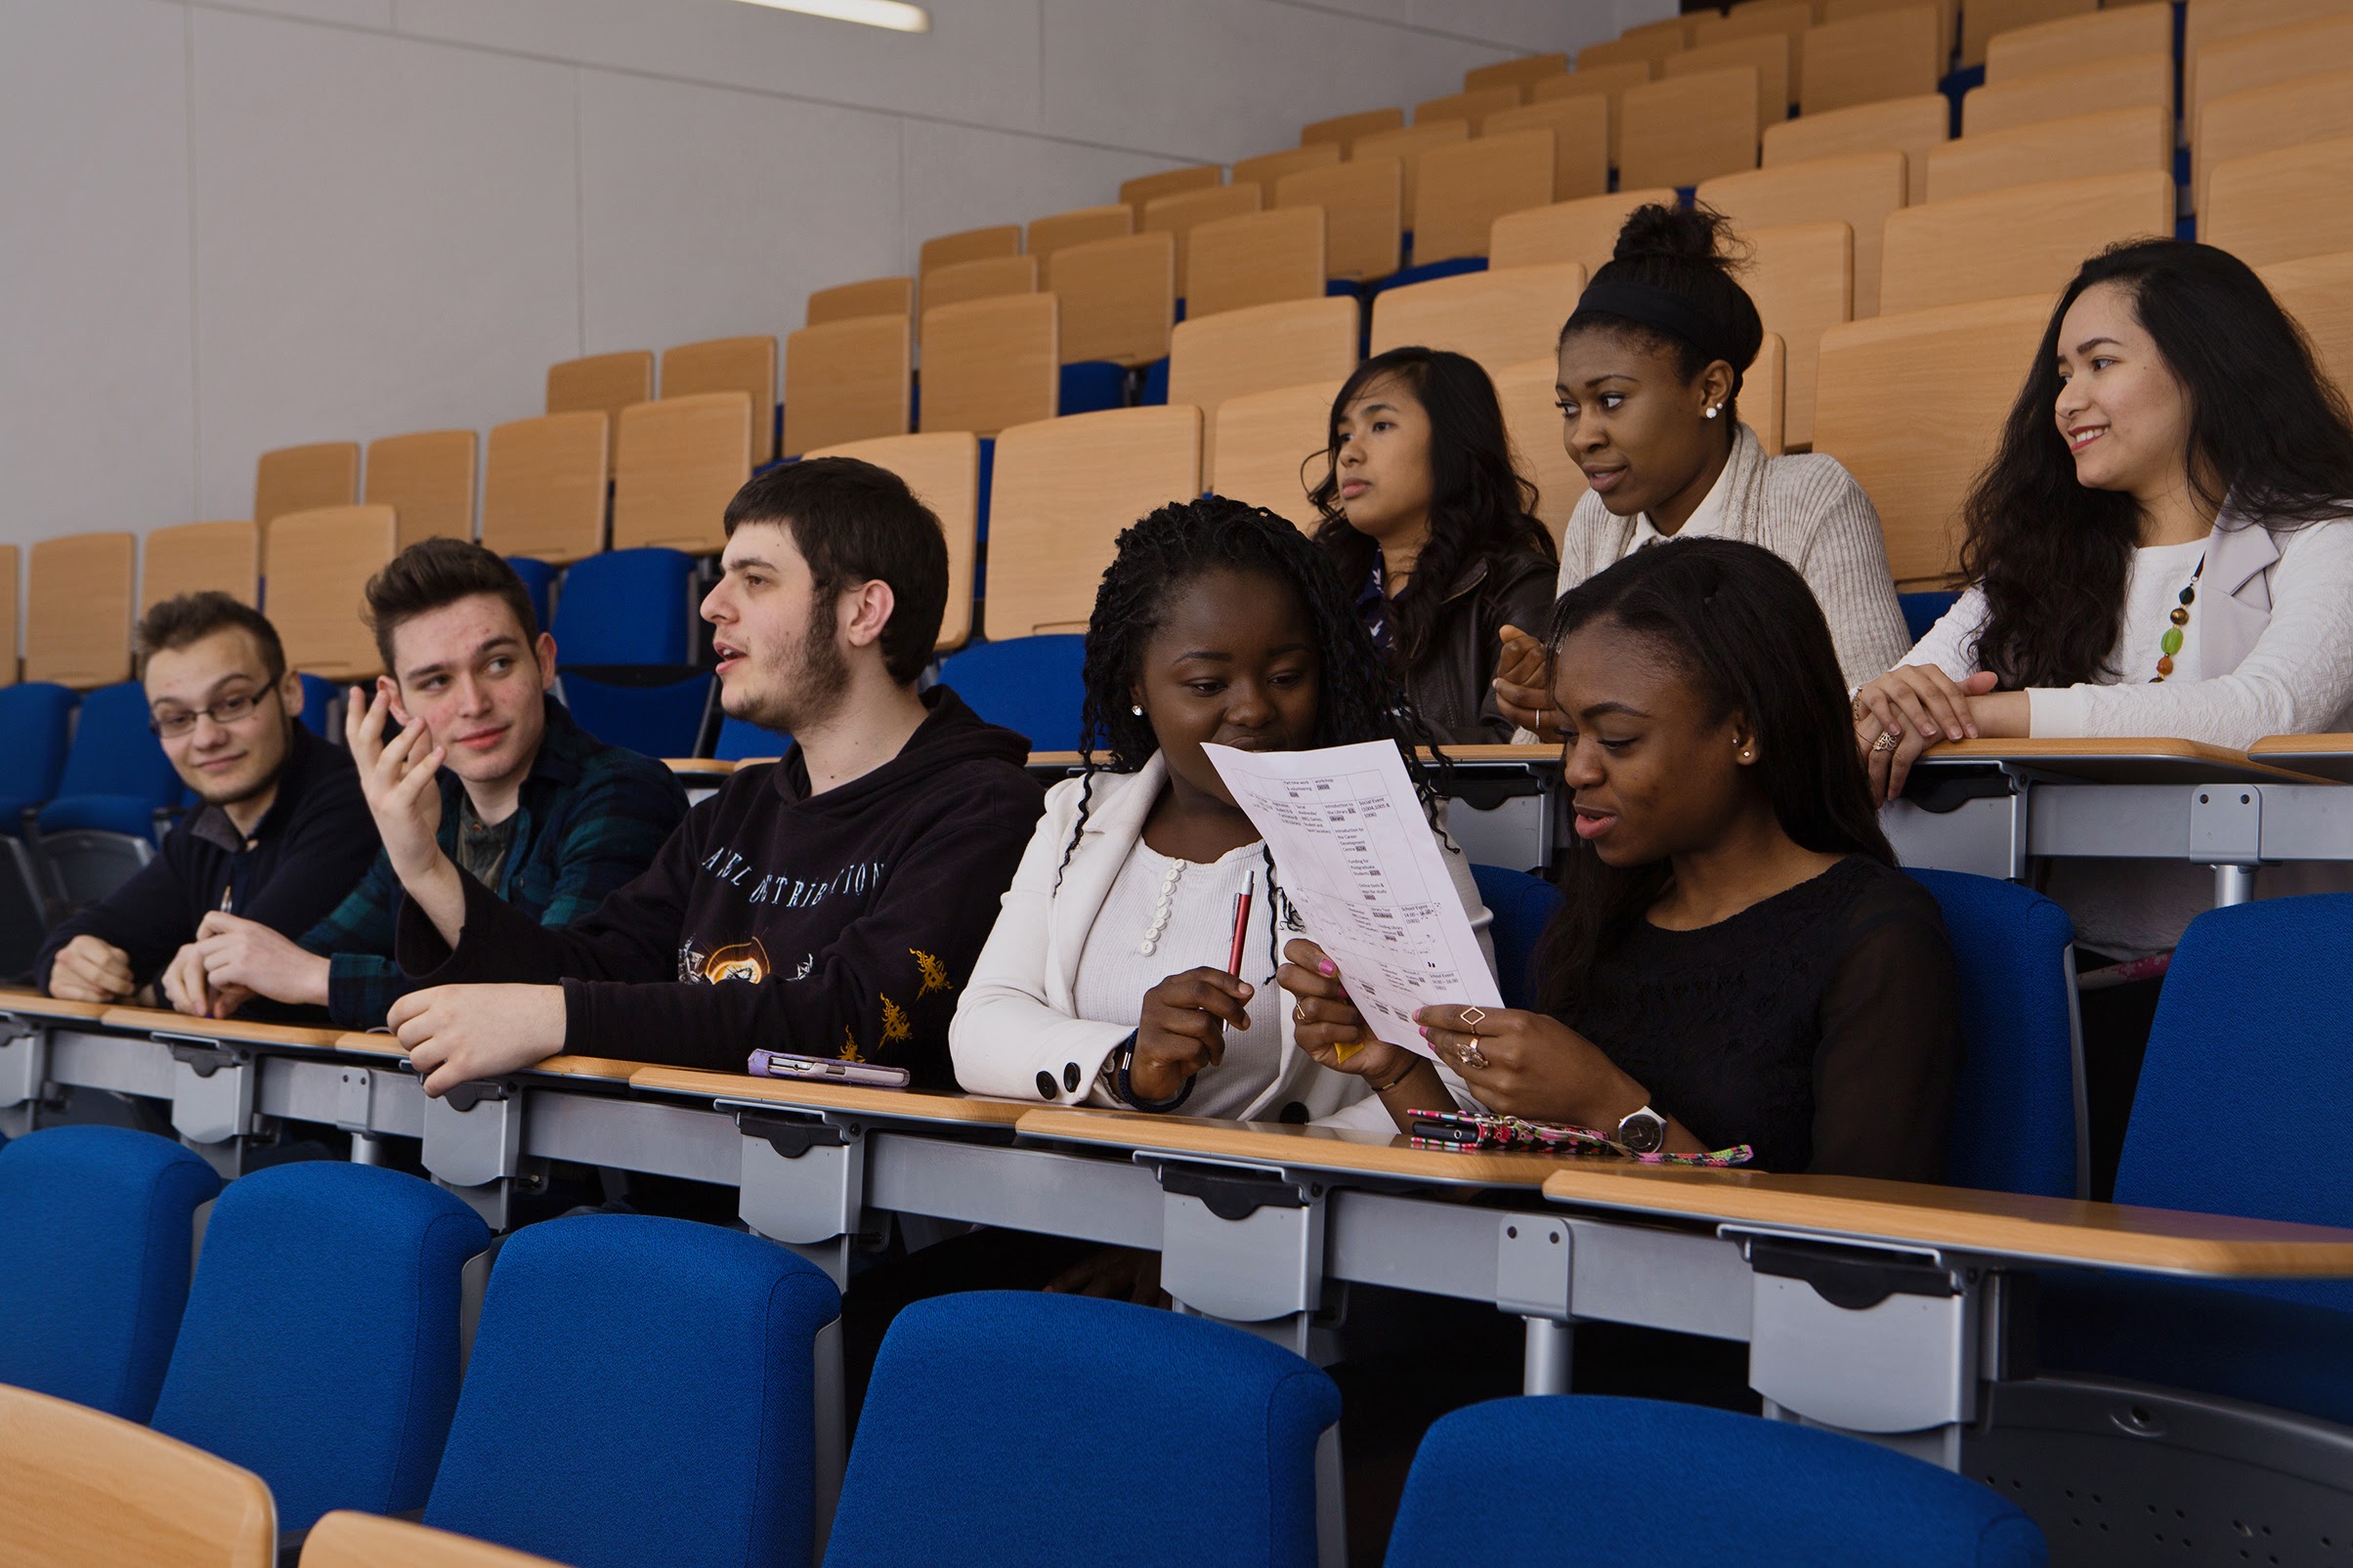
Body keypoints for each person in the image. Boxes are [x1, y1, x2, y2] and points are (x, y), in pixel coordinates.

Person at [1849, 238, 2353, 1193]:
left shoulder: (2326, 532)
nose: (2065, 401)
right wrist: (1884, 701)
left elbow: (2259, 714)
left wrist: (1992, 720)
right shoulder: (2035, 562)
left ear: (2205, 365)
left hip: (2256, 987)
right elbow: (1886, 700)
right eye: (2059, 373)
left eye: (2099, 364)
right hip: (2056, 976)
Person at [368, 457, 1045, 1093]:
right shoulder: (733, 810)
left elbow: (852, 1022)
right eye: (722, 577)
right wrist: (424, 867)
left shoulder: (985, 809)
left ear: (862, 612)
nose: (711, 605)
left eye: (755, 580)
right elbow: (588, 968)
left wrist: (564, 1018)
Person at [1420, 538, 1961, 1180]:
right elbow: (1514, 1179)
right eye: (1568, 734)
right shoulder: (1606, 911)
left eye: (1617, 739)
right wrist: (1397, 1066)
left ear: (1746, 731)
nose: (1577, 768)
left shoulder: (1879, 939)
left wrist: (1609, 1105)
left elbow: (1856, 1251)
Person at [951, 495, 1488, 1128]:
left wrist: (1285, 1163)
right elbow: (983, 1020)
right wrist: (1125, 1063)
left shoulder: (1383, 827)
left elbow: (1471, 1080)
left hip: (1296, 1211)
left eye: (1287, 676)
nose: (1254, 709)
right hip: (1080, 1206)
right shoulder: (1076, 812)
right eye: (1207, 685)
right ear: (1135, 687)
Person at [166, 539, 689, 1027]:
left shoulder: (624, 792)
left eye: (498, 664)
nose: (473, 703)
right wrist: (228, 971)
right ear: (395, 702)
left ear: (544, 662)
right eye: (436, 681)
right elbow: (322, 946)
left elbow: (552, 994)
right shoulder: (436, 800)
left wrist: (313, 979)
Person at [1492, 204, 1909, 736]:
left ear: (1710, 388)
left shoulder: (1812, 499)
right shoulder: (1595, 522)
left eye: (1612, 399)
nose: (1581, 436)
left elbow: (1873, 721)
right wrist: (1549, 716)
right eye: (1569, 407)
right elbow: (1558, 755)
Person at [38, 593, 378, 1015]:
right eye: (177, 718)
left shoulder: (354, 803)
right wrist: (67, 961)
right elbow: (97, 929)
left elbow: (229, 981)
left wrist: (141, 993)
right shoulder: (207, 827)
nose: (205, 738)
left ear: (290, 693)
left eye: (232, 703)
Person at [1306, 346, 1559, 743]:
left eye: (1381, 426)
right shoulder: (1320, 586)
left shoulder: (1519, 587)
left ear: (1453, 441)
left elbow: (1508, 754)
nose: (1349, 454)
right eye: (1344, 436)